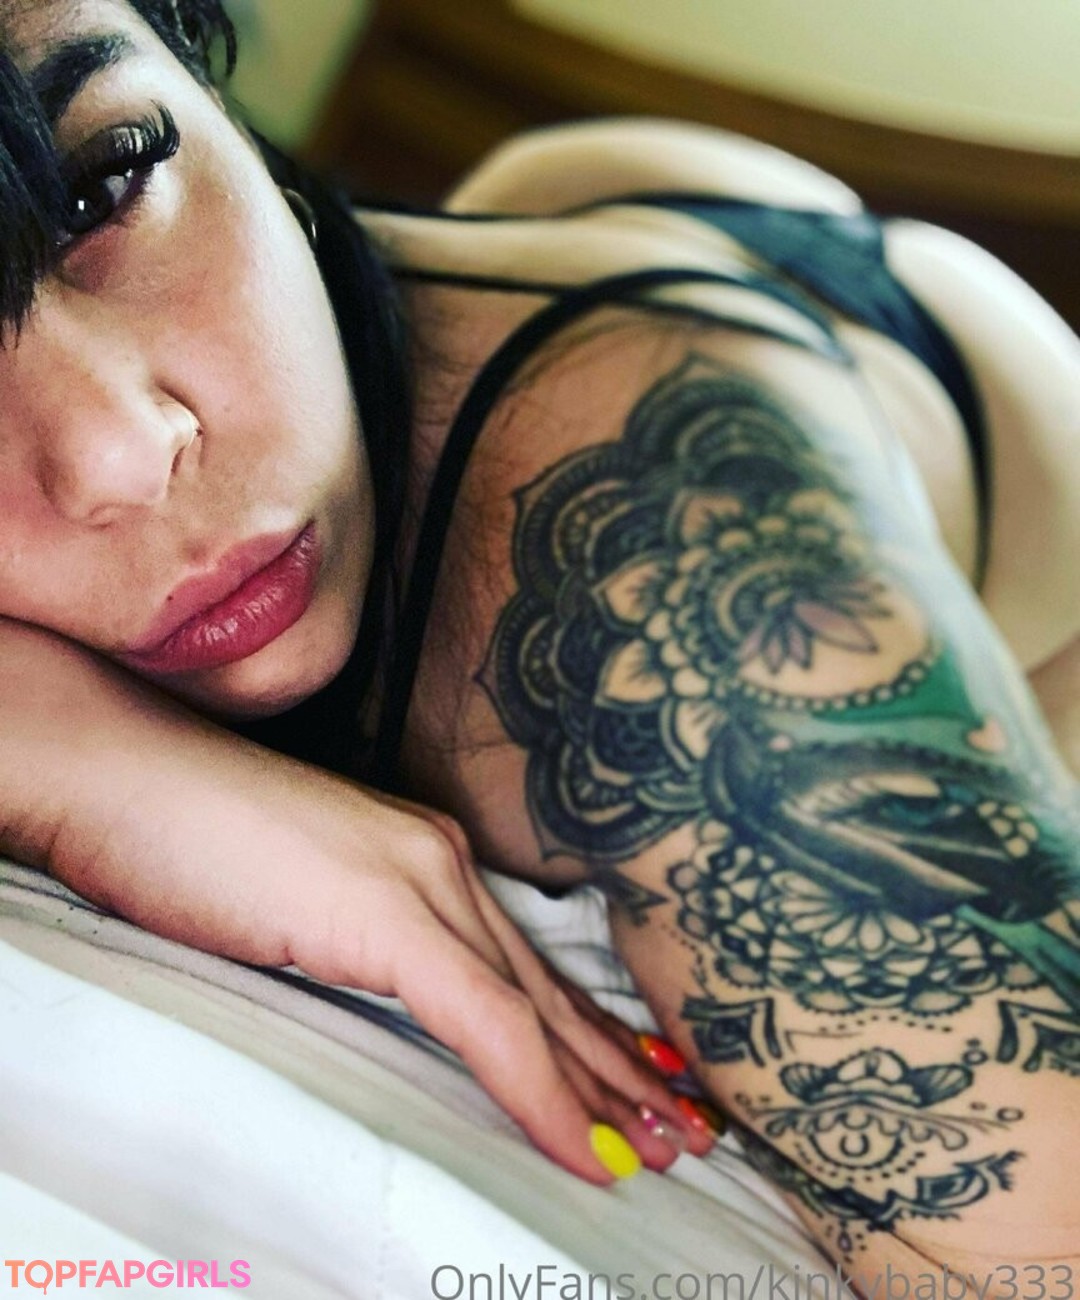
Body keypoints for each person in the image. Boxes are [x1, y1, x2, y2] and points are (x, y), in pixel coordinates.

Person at [1, 0, 1077, 1281]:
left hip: (964, 446)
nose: (124, 451)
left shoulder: (690, 600)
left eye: (100, 187)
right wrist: (58, 756)